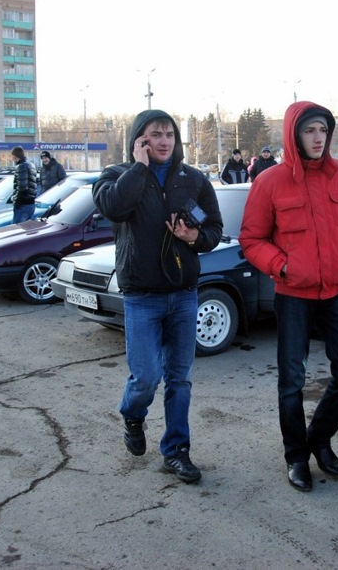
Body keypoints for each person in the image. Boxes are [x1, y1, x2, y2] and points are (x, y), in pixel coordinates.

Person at [240, 102, 338, 492]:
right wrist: (282, 267)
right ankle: (297, 456)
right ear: (295, 134)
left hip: (336, 292)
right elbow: (252, 239)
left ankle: (320, 439)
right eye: (310, 130)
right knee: (292, 381)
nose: (318, 137)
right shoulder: (271, 181)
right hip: (292, 294)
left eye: (323, 131)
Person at [93, 109, 223, 484]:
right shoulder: (116, 176)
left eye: (169, 134)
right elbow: (114, 207)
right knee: (146, 377)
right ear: (139, 140)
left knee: (179, 378)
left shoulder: (194, 179)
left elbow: (214, 229)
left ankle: (176, 452)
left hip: (183, 293)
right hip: (142, 296)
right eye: (155, 134)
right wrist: (139, 168)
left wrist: (194, 239)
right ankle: (133, 415)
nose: (164, 141)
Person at [10, 146, 38, 223]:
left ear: (15, 156)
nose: (12, 159)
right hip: (31, 203)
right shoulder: (30, 165)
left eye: (13, 157)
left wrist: (16, 201)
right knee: (27, 231)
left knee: (17, 230)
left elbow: (22, 187)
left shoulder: (21, 166)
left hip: (23, 204)